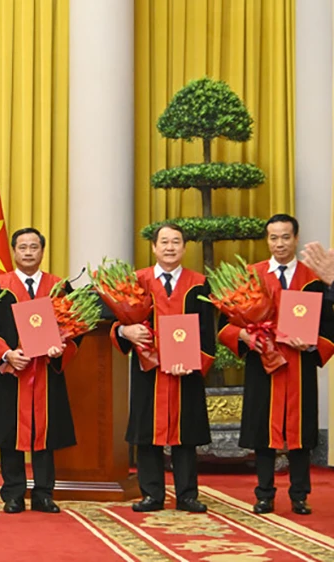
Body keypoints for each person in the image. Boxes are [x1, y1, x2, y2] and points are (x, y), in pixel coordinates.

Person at [221, 214, 334, 516]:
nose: (279, 243)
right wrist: (244, 335)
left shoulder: (314, 277)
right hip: (263, 365)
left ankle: (299, 495)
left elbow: (329, 322)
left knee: (300, 433)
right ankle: (264, 494)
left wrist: (311, 344)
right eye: (274, 237)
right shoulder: (251, 275)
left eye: (285, 237)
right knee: (263, 431)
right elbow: (225, 323)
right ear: (267, 240)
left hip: (299, 365)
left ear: (296, 238)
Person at [112, 223, 215, 513]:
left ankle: (187, 495)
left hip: (186, 371)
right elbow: (117, 322)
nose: (170, 247)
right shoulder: (136, 281)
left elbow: (208, 332)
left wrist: (195, 363)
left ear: (184, 247)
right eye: (164, 242)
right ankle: (151, 494)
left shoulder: (199, 283)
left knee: (186, 434)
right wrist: (126, 332)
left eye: (176, 242)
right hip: (149, 370)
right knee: (147, 434)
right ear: (154, 247)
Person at [0, 228, 79, 514]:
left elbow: (75, 328)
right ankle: (12, 493)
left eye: (33, 247)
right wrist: (7, 354)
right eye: (22, 247)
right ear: (14, 251)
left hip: (47, 373)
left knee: (46, 435)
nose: (27, 252)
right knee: (10, 434)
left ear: (42, 251)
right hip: (13, 371)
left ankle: (44, 494)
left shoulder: (59, 287)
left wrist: (62, 347)